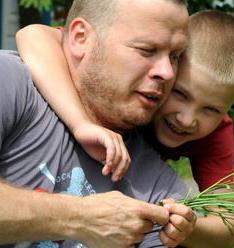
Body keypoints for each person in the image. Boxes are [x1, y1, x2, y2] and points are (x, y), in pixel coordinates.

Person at [16, 9, 234, 248]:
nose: (187, 119)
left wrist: (188, 227)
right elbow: (33, 35)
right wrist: (81, 123)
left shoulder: (215, 133)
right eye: (180, 93)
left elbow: (227, 228)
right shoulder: (143, 83)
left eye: (211, 110)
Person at [0, 0, 194, 248]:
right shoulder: (11, 84)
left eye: (175, 56)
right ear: (81, 38)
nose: (167, 72)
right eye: (147, 50)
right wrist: (80, 217)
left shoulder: (156, 187)